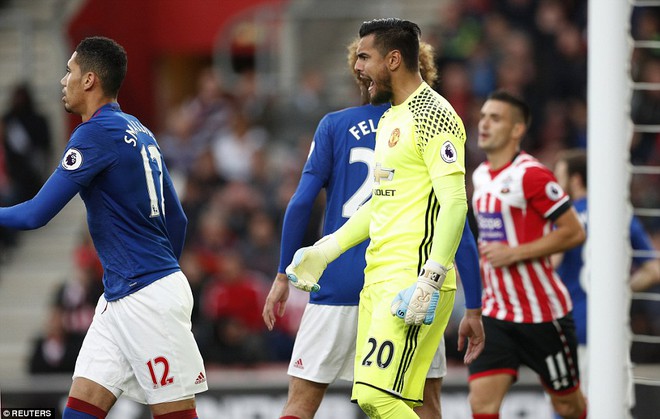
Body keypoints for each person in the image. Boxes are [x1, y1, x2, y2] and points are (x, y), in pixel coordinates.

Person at [263, 36, 483, 419]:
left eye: (365, 60)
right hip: (395, 280)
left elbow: (300, 202)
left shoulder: (336, 125)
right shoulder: (400, 122)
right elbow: (455, 224)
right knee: (421, 402)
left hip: (343, 283)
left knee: (302, 403)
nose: (361, 70)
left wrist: (285, 270)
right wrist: (475, 305)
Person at [0, 36, 206, 419]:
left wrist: (153, 283)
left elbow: (34, 215)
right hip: (123, 296)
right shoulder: (140, 130)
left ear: (90, 80)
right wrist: (160, 275)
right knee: (79, 411)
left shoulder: (94, 134)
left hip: (145, 295)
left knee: (175, 414)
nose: (64, 80)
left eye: (69, 72)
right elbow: (177, 219)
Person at [467, 90, 587, 419]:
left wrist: (515, 253)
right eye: (484, 116)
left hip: (542, 314)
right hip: (496, 313)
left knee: (567, 405)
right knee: (481, 404)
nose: (485, 124)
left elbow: (574, 232)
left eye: (496, 118)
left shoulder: (531, 175)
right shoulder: (479, 176)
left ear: (517, 129)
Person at [552, 148, 660, 410]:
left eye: (559, 177)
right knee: (611, 407)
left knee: (568, 409)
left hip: (570, 328)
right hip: (612, 330)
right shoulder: (619, 215)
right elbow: (654, 269)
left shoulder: (562, 219)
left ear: (575, 180)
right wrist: (620, 289)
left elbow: (550, 265)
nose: (555, 185)